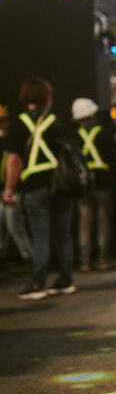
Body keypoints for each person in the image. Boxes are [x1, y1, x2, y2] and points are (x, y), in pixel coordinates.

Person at [2, 77, 76, 299]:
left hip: (34, 186)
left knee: (40, 236)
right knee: (63, 235)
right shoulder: (58, 122)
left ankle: (38, 283)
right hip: (61, 185)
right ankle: (65, 279)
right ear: (47, 98)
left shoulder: (17, 124)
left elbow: (14, 161)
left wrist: (8, 189)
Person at [71, 97, 116, 271]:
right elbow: (114, 157)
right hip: (102, 181)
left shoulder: (75, 137)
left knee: (84, 221)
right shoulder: (105, 134)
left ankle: (84, 261)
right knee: (103, 219)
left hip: (83, 185)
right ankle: (102, 258)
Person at [0, 105, 32, 272]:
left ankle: (29, 259)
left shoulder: (12, 139)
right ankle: (3, 259)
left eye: (5, 121)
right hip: (5, 189)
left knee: (14, 225)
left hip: (13, 189)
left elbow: (15, 164)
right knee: (2, 226)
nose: (4, 124)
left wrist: (9, 190)